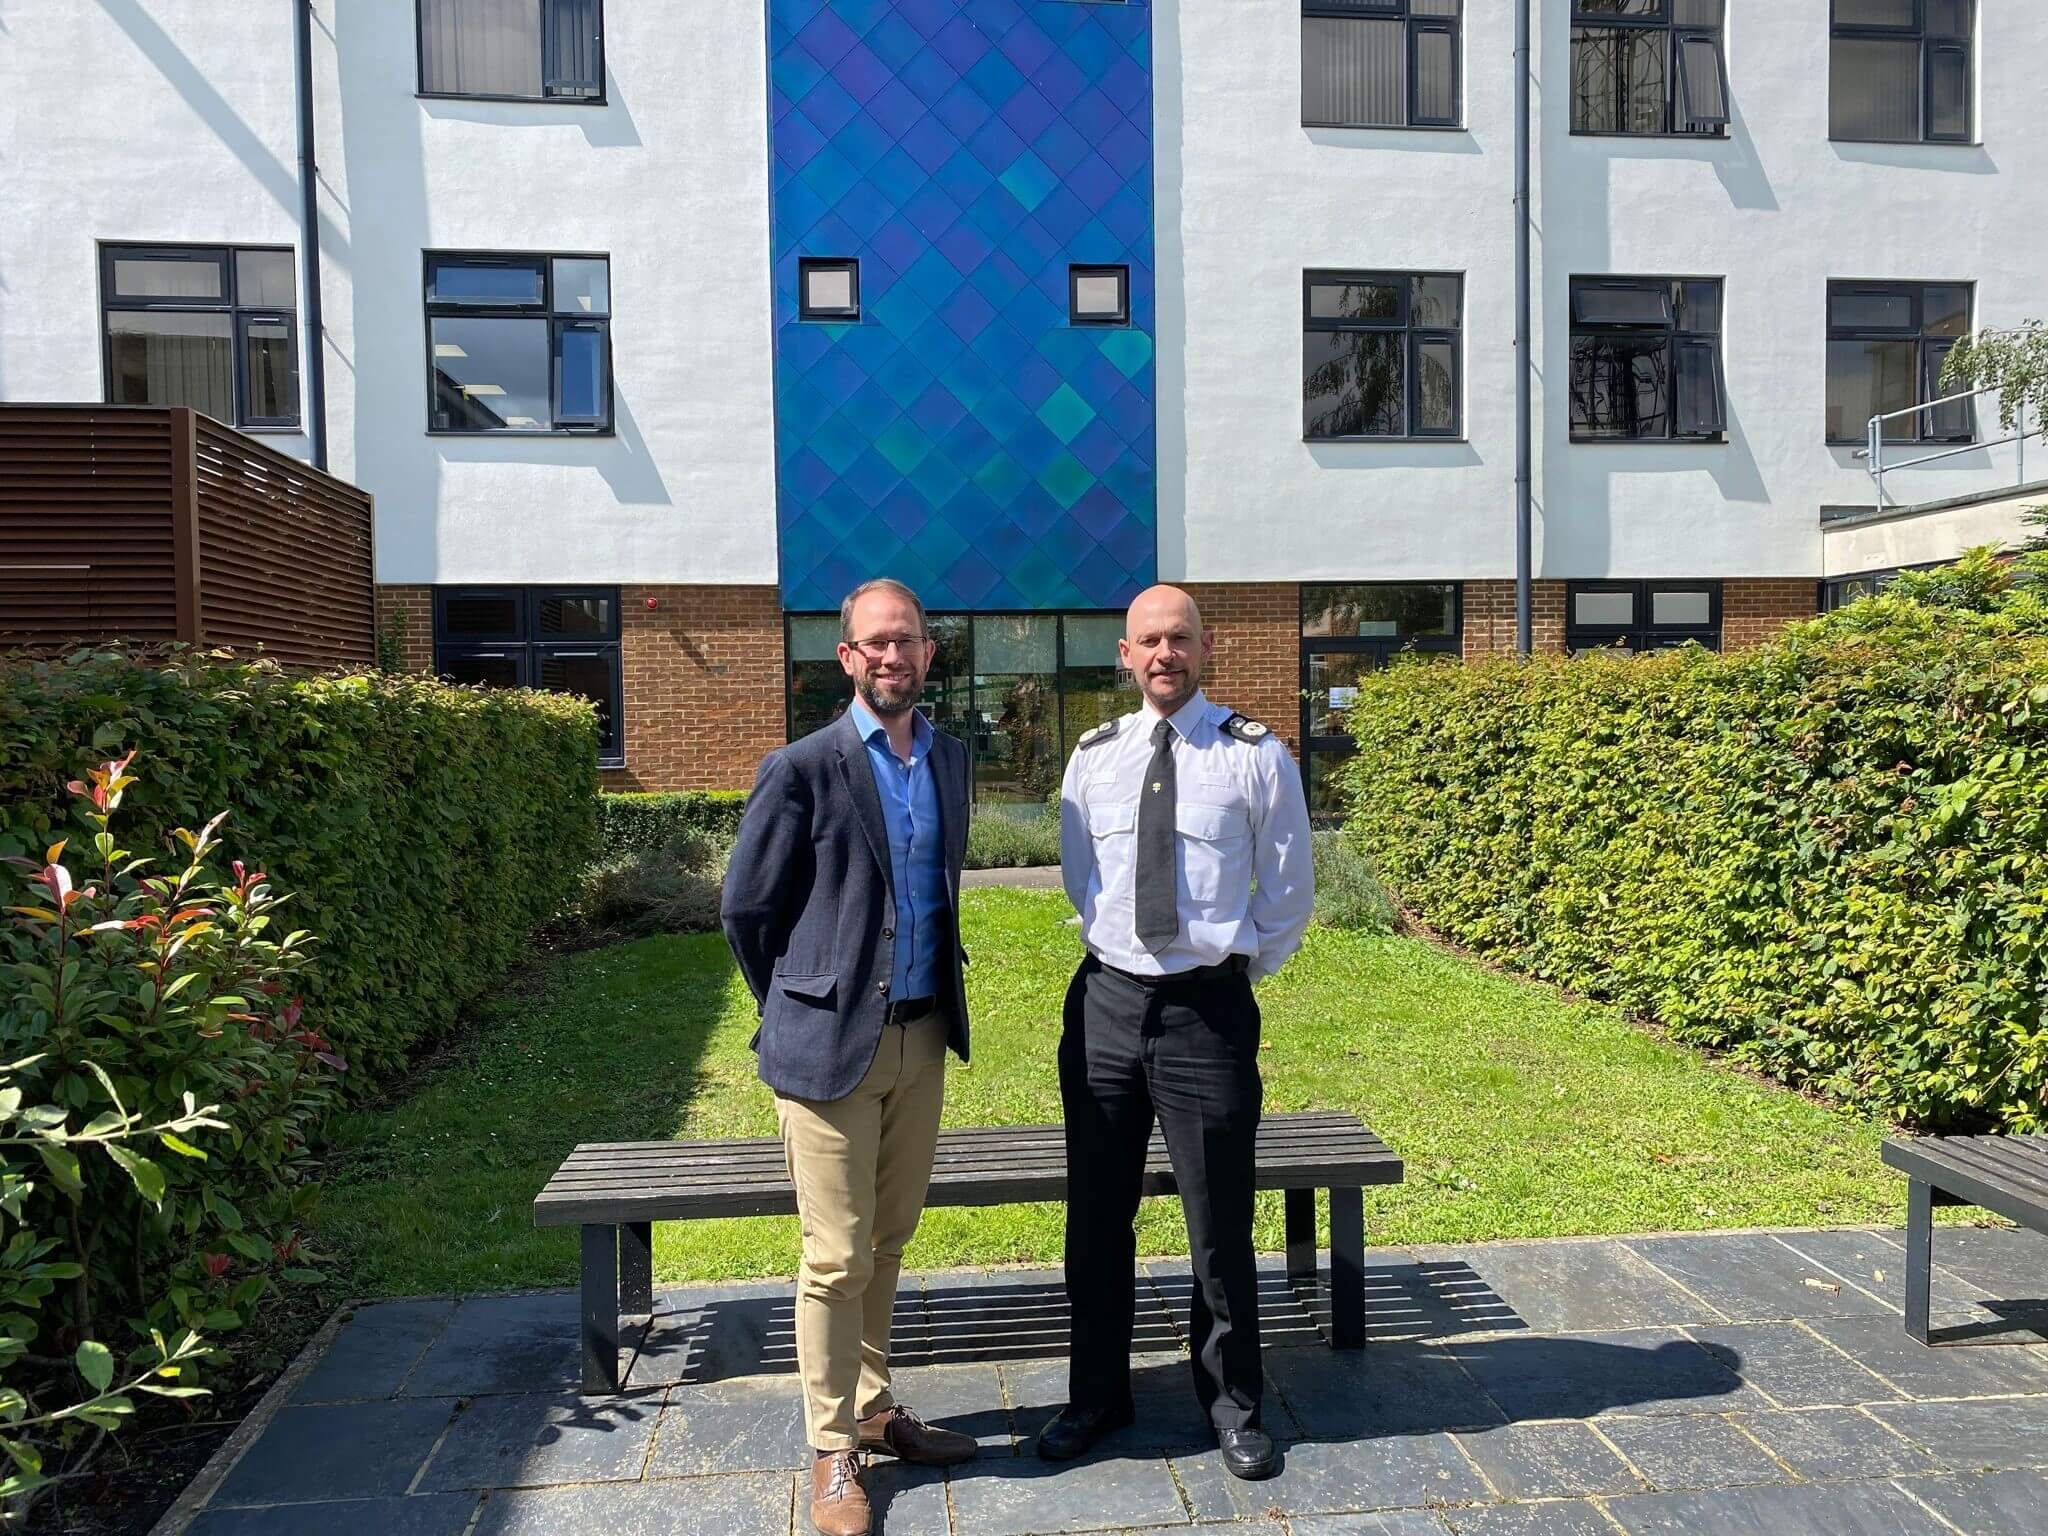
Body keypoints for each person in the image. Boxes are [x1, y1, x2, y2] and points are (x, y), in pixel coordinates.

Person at [1038, 584, 1314, 1480]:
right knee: (1097, 1220)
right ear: (1125, 655)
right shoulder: (1094, 756)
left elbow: (1287, 892)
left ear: (1206, 647)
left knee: (1219, 1223)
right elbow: (1086, 881)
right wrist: (1132, 965)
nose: (1165, 653)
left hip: (1207, 1014)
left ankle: (1233, 1404)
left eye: (1181, 639)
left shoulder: (1255, 756)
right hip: (1107, 1008)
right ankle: (1096, 1396)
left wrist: (1226, 974)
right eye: (1149, 640)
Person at [721, 578, 977, 1536]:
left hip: (920, 1036)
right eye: (874, 643)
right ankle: (832, 1450)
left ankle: (873, 1410)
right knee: (833, 1256)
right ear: (846, 657)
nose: (892, 657)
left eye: (906, 641)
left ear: (928, 653)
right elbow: (747, 912)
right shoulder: (802, 767)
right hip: (826, 1048)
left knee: (887, 1241)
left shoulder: (950, 759)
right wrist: (798, 1002)